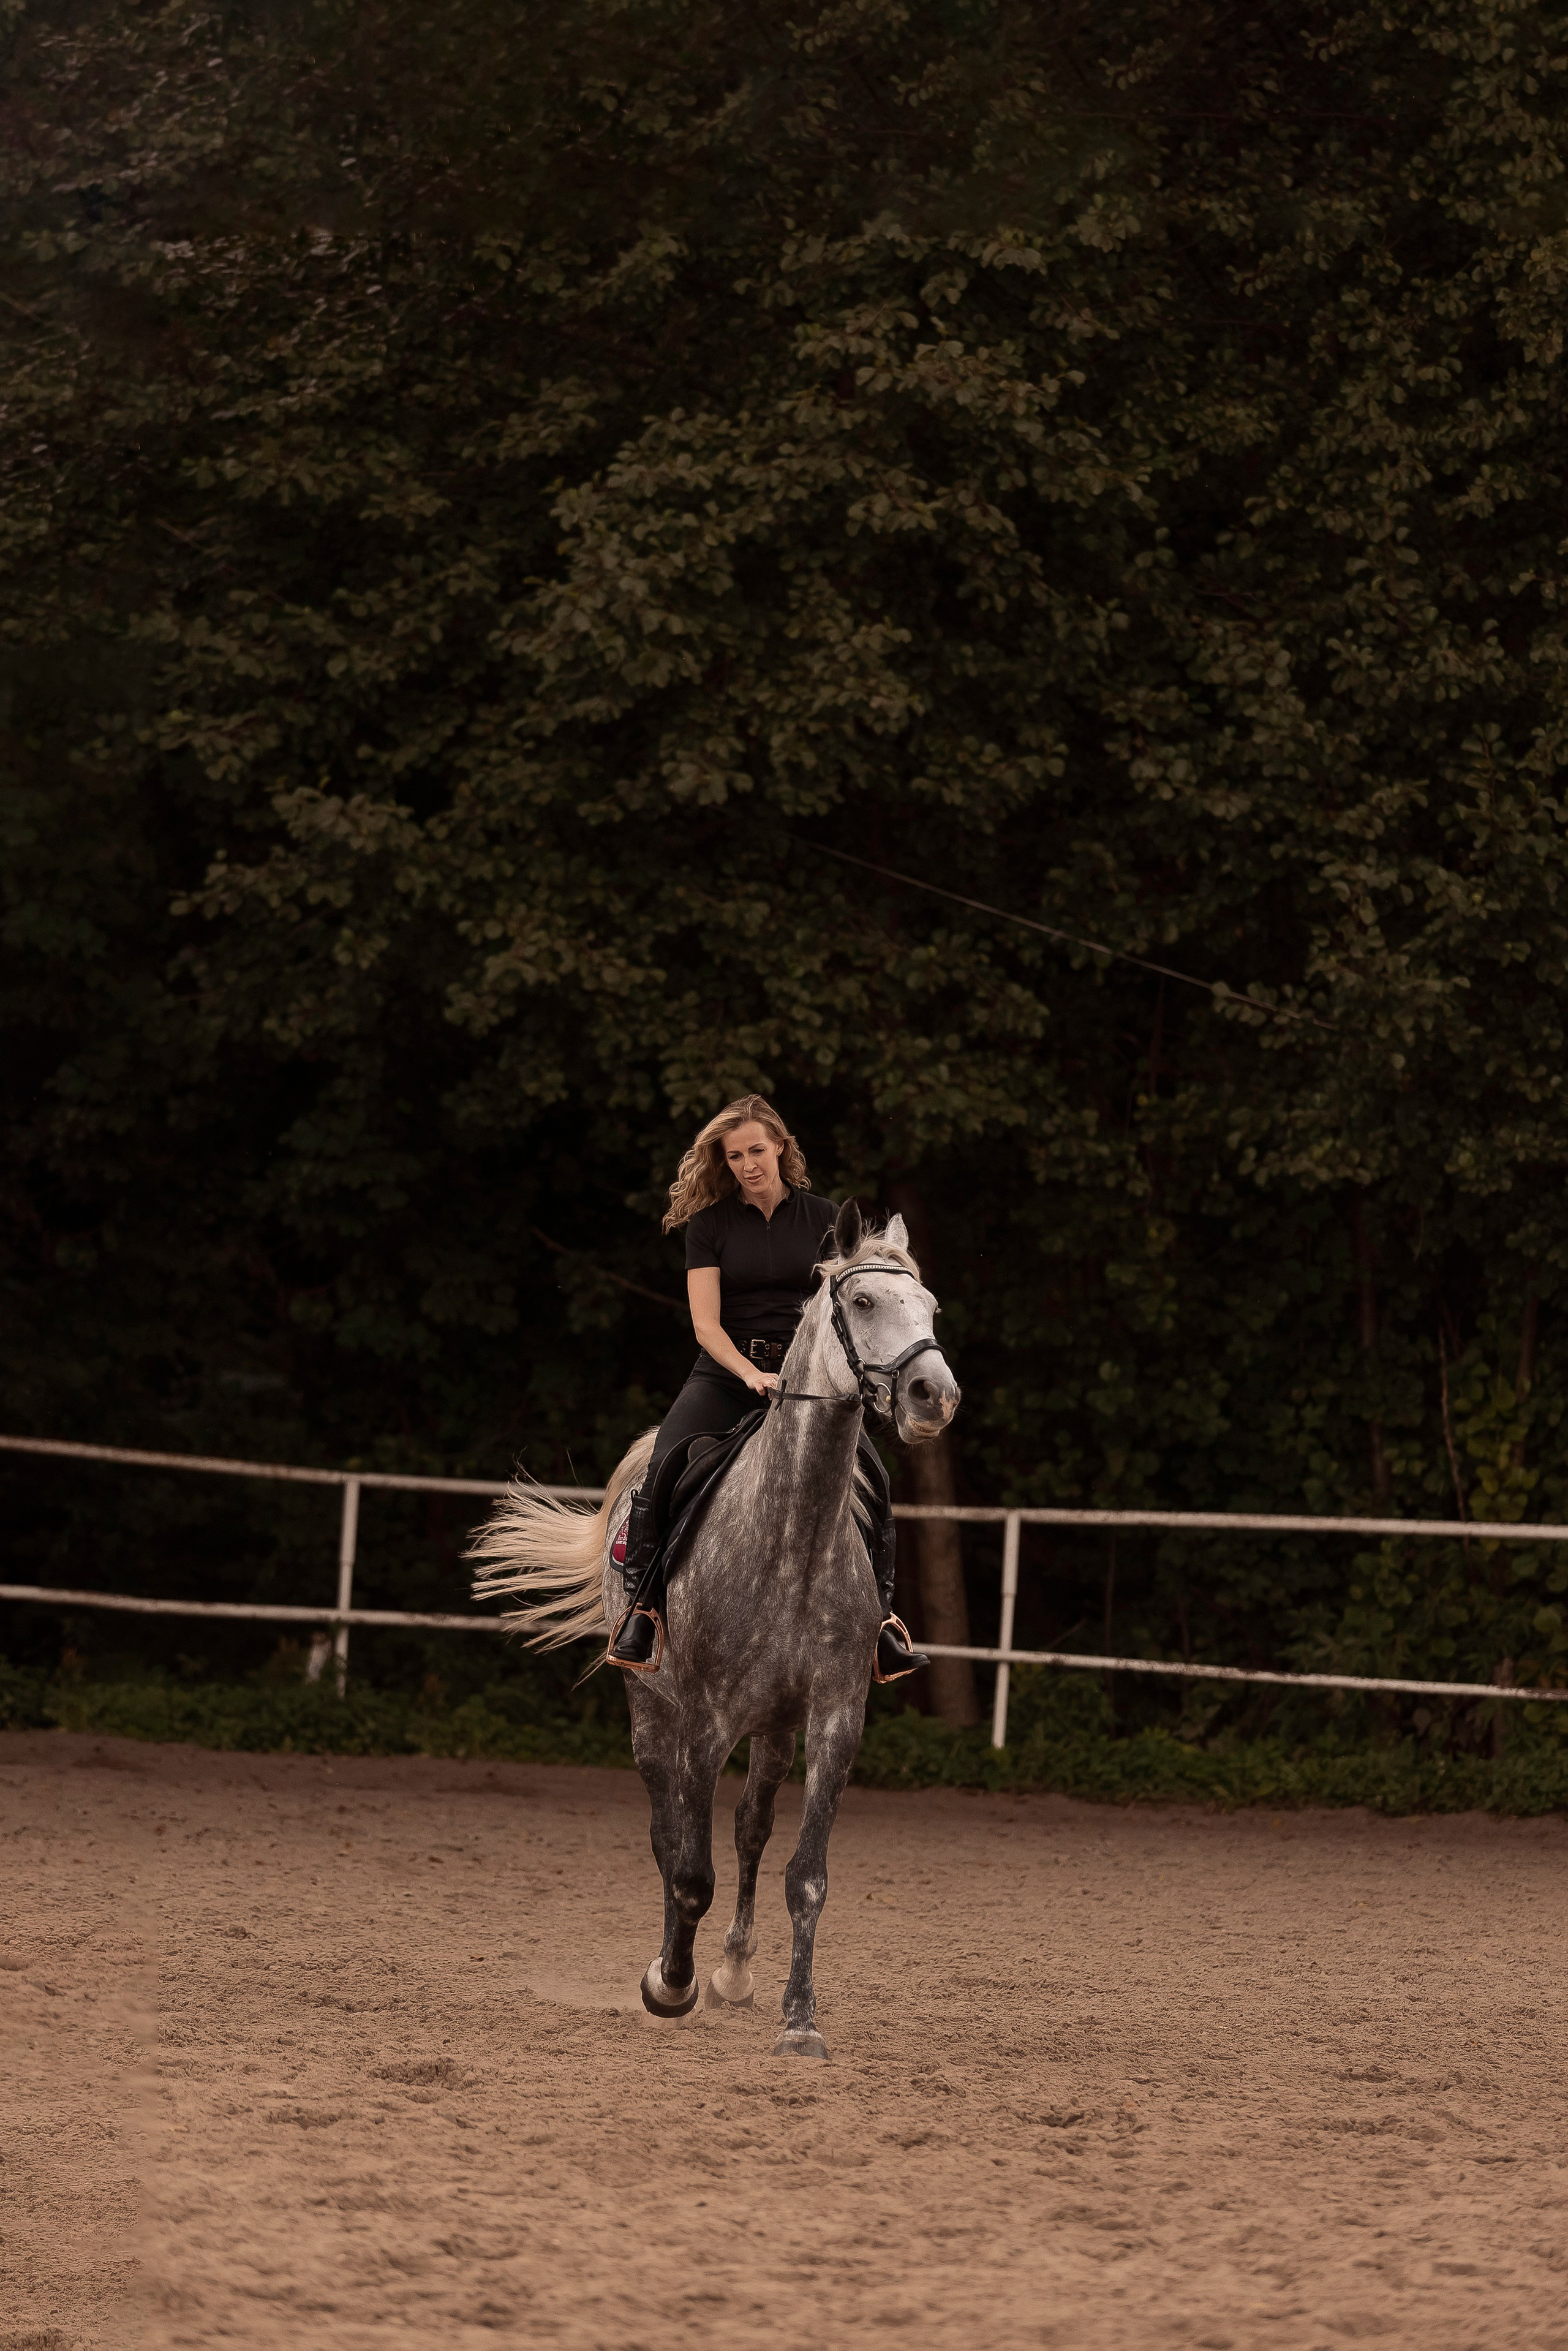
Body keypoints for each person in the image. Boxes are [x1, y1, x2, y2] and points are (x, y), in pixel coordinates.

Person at [606, 1093, 929, 1682]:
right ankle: (643, 1611)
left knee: (876, 1482)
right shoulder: (708, 1228)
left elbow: (846, 1306)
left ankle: (881, 1624)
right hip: (729, 1373)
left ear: (780, 1146)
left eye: (757, 1150)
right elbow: (706, 1324)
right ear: (723, 1162)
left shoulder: (828, 1219)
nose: (748, 1164)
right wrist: (750, 1374)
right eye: (734, 1156)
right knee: (662, 1469)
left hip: (811, 1381)